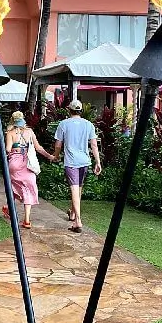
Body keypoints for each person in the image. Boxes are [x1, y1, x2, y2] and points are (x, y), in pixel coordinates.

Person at [53, 100, 101, 234]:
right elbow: (94, 145)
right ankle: (73, 214)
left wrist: (56, 156)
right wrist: (98, 162)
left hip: (72, 162)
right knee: (79, 188)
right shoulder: (88, 124)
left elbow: (58, 145)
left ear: (69, 110)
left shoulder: (64, 124)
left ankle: (78, 221)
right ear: (80, 111)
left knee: (74, 189)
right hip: (85, 161)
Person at [3, 111, 53, 229]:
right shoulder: (29, 132)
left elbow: (8, 149)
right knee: (28, 189)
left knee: (14, 186)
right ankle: (27, 220)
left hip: (14, 163)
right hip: (28, 164)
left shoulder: (10, 133)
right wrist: (49, 156)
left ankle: (9, 209)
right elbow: (38, 148)